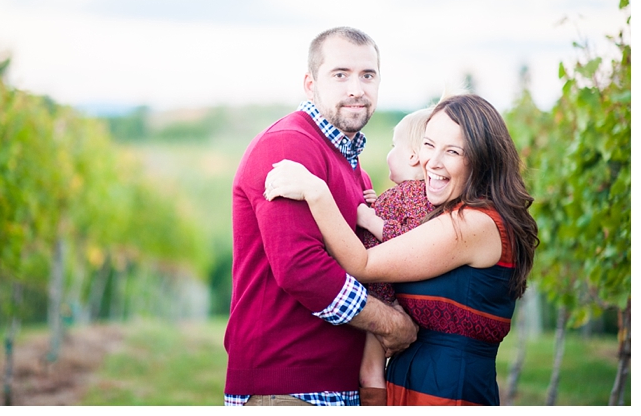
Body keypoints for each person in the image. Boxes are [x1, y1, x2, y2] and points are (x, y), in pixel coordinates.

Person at [264, 93, 539, 406]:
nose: (431, 162)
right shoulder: (450, 213)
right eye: (428, 144)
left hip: (447, 395)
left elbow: (363, 263)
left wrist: (316, 192)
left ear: (482, 158)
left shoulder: (475, 223)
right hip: (411, 388)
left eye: (452, 151)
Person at [223, 26, 419, 407]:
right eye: (340, 74)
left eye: (368, 75)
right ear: (310, 84)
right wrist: (390, 322)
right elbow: (301, 268)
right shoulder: (289, 145)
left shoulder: (355, 170)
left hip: (336, 388)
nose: (356, 89)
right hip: (287, 387)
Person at [356, 106, 435, 405]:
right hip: (390, 292)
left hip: (381, 293)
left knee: (370, 370)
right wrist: (379, 204)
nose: (390, 153)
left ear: (413, 156)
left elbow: (408, 241)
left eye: (393, 146)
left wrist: (368, 218)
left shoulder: (415, 194)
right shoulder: (412, 195)